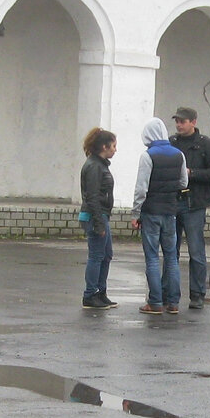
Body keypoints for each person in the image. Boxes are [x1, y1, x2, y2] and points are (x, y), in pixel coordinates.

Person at [131, 118, 188, 315]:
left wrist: (135, 212)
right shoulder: (179, 154)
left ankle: (154, 302)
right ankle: (173, 303)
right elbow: (183, 182)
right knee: (171, 257)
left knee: (153, 258)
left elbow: (141, 188)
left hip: (151, 212)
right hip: (171, 211)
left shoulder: (148, 156)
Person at [168, 106, 210, 310]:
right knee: (171, 251)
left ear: (193, 122)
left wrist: (192, 173)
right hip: (173, 201)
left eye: (183, 121)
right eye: (177, 121)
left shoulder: (205, 144)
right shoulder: (171, 143)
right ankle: (170, 294)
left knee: (196, 251)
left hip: (195, 203)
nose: (179, 125)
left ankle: (197, 294)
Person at [79, 127, 118, 310]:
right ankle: (90, 294)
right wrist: (99, 223)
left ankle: (100, 292)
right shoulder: (95, 166)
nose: (115, 149)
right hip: (96, 216)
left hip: (101, 215)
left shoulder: (99, 164)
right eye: (113, 146)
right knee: (96, 255)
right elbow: (92, 196)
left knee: (106, 255)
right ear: (104, 146)